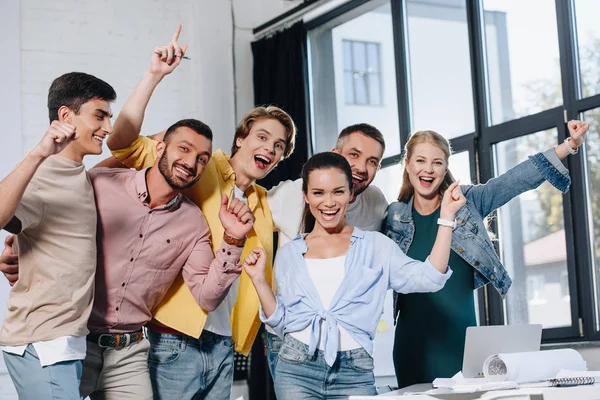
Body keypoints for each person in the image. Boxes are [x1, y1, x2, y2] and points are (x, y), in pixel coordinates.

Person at [106, 25, 297, 399]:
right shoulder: (199, 162)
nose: (270, 149)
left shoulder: (264, 205)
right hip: (174, 340)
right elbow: (122, 144)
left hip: (225, 345)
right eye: (262, 137)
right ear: (241, 137)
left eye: (279, 147)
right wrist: (154, 76)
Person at [242, 151, 465, 399]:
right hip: (296, 369)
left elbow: (430, 277)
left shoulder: (376, 247)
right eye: (318, 193)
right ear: (305, 196)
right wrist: (259, 280)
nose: (328, 202)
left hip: (355, 371)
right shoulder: (289, 254)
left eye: (338, 191)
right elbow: (280, 321)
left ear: (350, 194)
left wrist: (447, 218)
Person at [384, 121, 589, 388]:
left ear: (446, 167)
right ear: (408, 164)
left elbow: (515, 180)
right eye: (420, 160)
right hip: (412, 345)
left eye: (437, 162)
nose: (428, 169)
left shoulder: (467, 203)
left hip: (460, 341)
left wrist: (569, 146)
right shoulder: (394, 215)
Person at [0, 72, 116, 399]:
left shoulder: (79, 173)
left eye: (109, 116)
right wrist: (39, 152)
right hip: (44, 342)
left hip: (64, 341)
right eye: (99, 115)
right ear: (66, 117)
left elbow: (133, 143)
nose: (107, 127)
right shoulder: (44, 173)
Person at [265, 123, 389, 377]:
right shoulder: (292, 195)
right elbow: (245, 204)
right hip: (292, 337)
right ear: (335, 153)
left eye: (373, 161)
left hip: (349, 340)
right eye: (354, 155)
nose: (362, 168)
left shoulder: (376, 203)